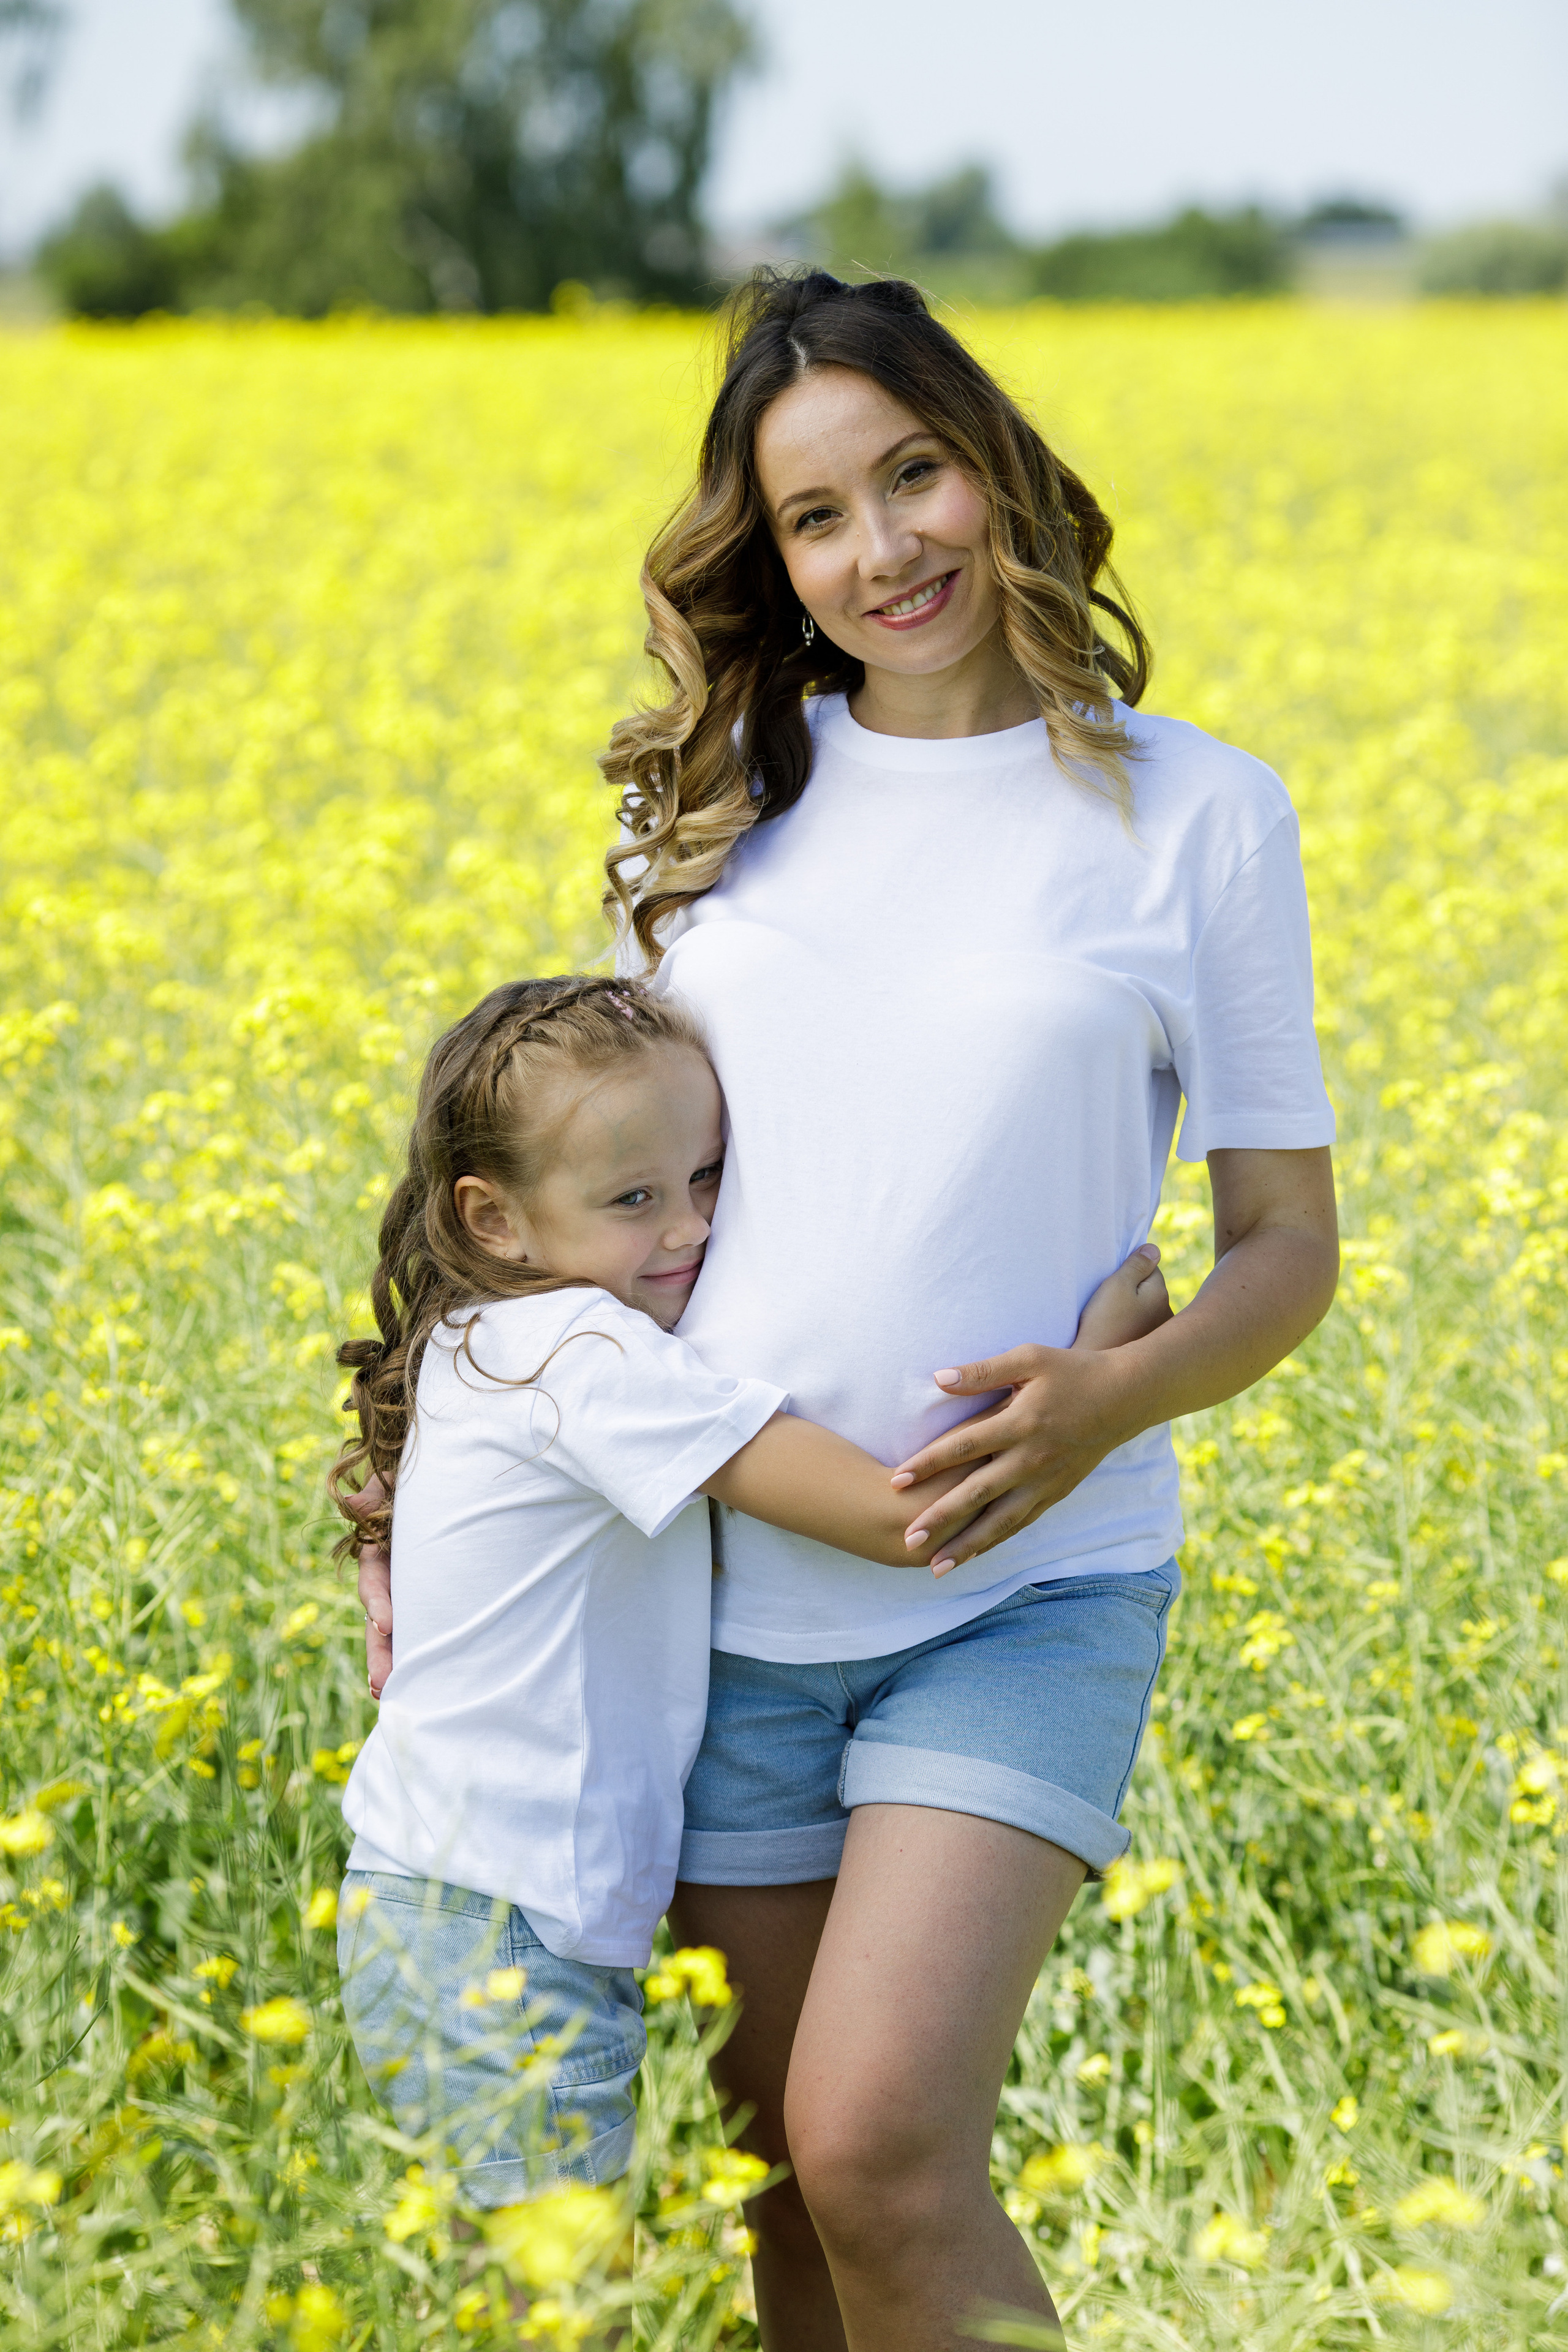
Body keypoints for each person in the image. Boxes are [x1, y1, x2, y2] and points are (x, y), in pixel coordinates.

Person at [360, 268, 1339, 2351]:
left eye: (915, 476)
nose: (884, 547)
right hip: (710, 1609)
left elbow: (1285, 1246)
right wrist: (401, 1512)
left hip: (1025, 1586)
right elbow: (557, 1190)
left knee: (882, 2142)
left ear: (995, 467)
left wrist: (1113, 1395)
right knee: (788, 2204)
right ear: (773, 563)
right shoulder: (705, 813)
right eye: (818, 515)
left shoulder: (1201, 812)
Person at [331, 972, 1168, 2222]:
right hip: (497, 1921)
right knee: (550, 2306)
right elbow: (905, 1519)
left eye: (707, 1178)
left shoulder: (478, 1324)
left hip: (455, 1897)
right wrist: (1100, 1380)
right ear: (493, 1218)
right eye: (633, 1200)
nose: (687, 1233)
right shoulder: (588, 1355)